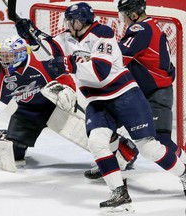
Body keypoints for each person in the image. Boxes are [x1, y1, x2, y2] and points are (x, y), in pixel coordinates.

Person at [15, 2, 186, 213]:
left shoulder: (103, 33)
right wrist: (33, 37)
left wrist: (65, 63)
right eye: (68, 20)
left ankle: (184, 174)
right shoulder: (67, 37)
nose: (68, 23)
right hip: (97, 100)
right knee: (96, 142)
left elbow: (100, 71)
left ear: (83, 21)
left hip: (125, 96)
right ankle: (119, 194)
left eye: (72, 20)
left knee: (149, 147)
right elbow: (50, 51)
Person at [0, 35, 133, 173]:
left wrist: (67, 91)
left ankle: (121, 148)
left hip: (53, 106)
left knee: (87, 132)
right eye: (3, 56)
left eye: (10, 56)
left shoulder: (40, 61)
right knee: (10, 155)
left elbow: (61, 72)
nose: (6, 61)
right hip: (26, 114)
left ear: (21, 54)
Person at [84, 0, 186, 180]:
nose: (122, 18)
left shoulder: (141, 29)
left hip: (155, 94)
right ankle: (119, 156)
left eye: (124, 14)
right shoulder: (150, 26)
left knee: (160, 140)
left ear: (133, 14)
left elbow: (120, 56)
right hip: (141, 92)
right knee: (106, 121)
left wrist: (93, 55)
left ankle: (183, 168)